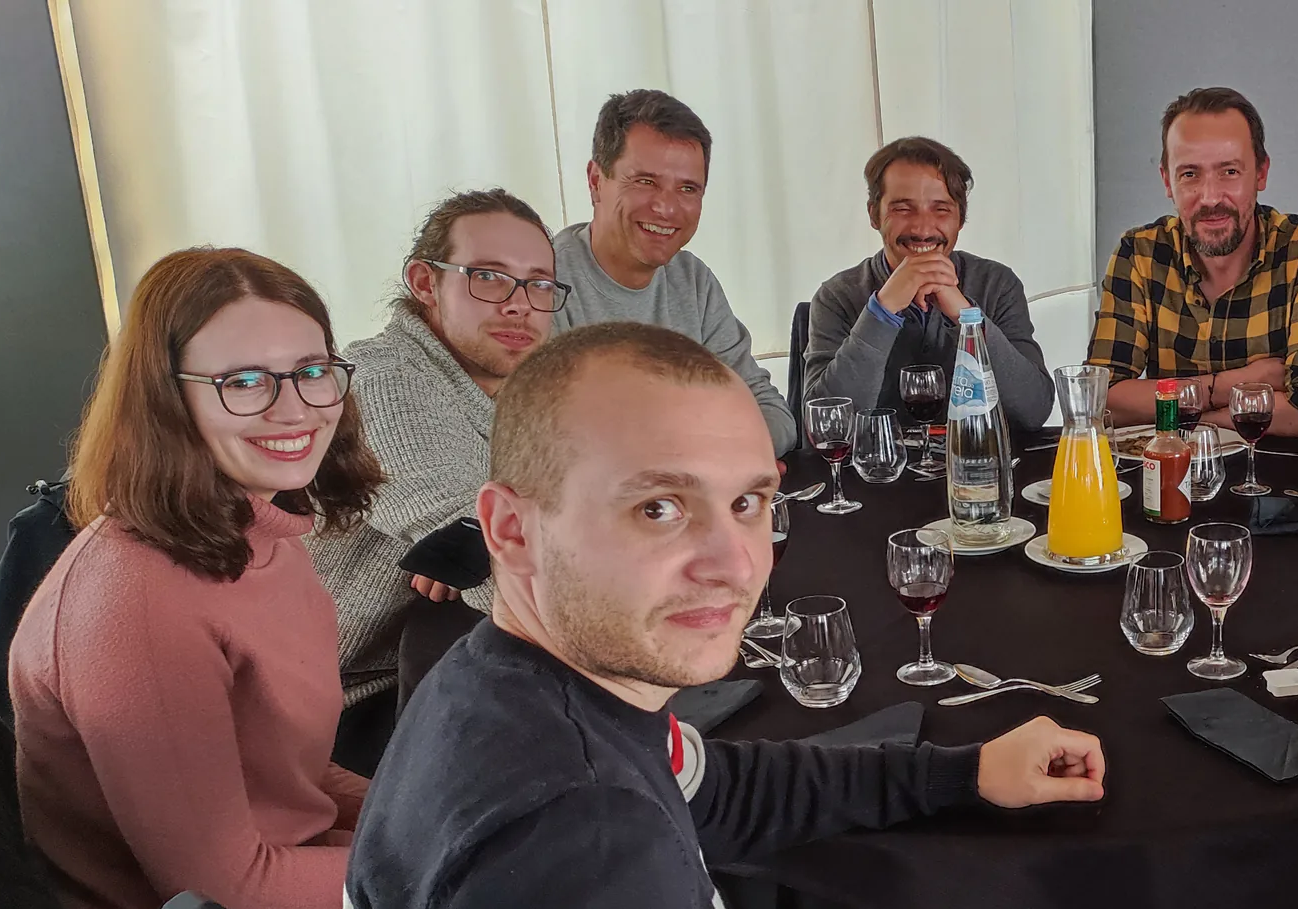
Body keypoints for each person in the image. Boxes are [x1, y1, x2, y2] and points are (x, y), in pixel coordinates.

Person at [343, 321, 1109, 909]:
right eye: (659, 508)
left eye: (748, 503)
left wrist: (964, 773)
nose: (734, 564)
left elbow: (724, 787)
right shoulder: (583, 850)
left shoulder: (508, 681)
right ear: (510, 531)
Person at [10, 247, 385, 909]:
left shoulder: (263, 535)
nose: (295, 407)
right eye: (243, 381)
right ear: (165, 399)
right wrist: (436, 868)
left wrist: (434, 819)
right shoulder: (134, 599)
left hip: (291, 904)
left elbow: (285, 774)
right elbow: (225, 893)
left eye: (312, 371)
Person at [310, 188, 564, 712]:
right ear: (426, 282)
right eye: (489, 276)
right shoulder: (387, 381)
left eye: (538, 284)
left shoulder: (519, 385)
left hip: (442, 657)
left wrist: (479, 542)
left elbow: (566, 507)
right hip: (347, 704)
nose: (519, 303)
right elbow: (500, 561)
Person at [1088, 86, 1298, 436]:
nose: (1210, 197)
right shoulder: (1139, 254)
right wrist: (1235, 384)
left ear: (1261, 173)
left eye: (1229, 172)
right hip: (1170, 481)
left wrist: (1180, 422)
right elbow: (1100, 398)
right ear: (1167, 180)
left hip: (1281, 480)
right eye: (1190, 174)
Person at [553, 88, 798, 454]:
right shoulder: (540, 286)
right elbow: (556, 448)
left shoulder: (693, 280)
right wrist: (713, 454)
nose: (667, 208)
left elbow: (770, 412)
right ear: (595, 181)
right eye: (645, 181)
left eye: (687, 188)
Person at [805, 135, 1053, 434]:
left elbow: (1034, 410)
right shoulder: (838, 295)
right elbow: (827, 430)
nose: (923, 229)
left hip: (981, 468)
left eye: (941, 209)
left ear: (960, 218)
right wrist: (882, 312)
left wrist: (966, 316)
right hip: (880, 475)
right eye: (903, 208)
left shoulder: (997, 284)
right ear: (874, 214)